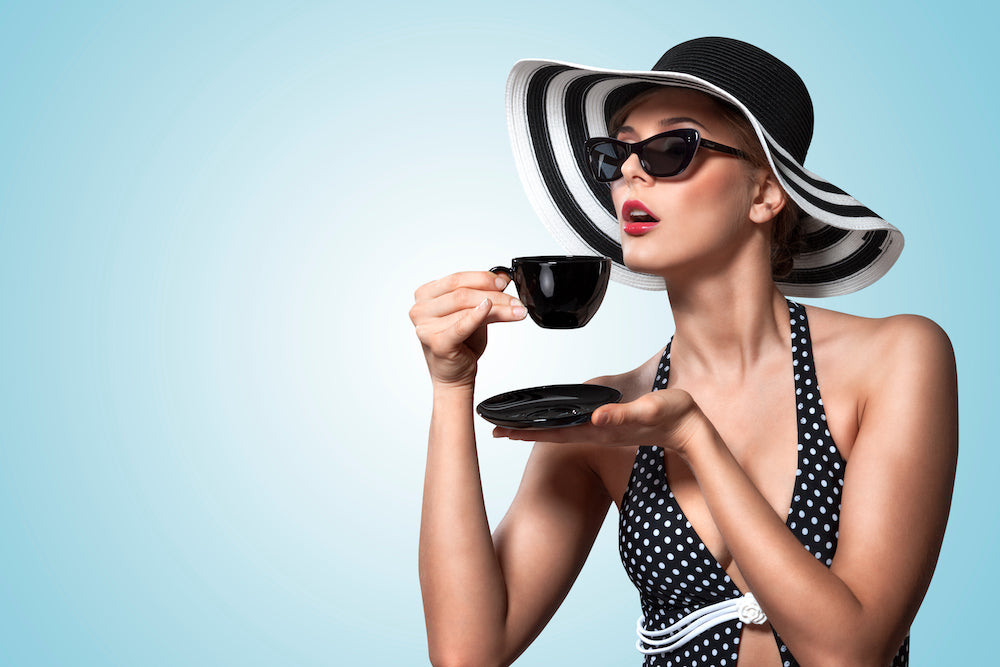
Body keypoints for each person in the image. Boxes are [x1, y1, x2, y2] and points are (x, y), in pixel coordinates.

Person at [409, 37, 957, 666]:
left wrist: (695, 437)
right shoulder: (605, 416)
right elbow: (467, 651)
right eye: (616, 153)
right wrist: (452, 385)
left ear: (764, 194)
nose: (631, 173)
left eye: (673, 148)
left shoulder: (895, 359)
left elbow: (849, 654)